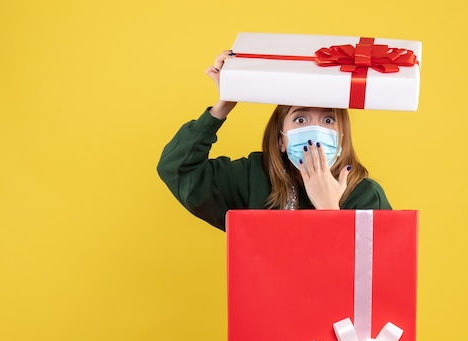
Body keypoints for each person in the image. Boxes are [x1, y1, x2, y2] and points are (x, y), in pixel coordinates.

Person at [157, 51, 392, 231]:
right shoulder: (253, 177)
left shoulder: (366, 195)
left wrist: (329, 209)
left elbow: (380, 276)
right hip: (262, 295)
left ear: (342, 137)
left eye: (329, 119)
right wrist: (222, 106)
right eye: (300, 119)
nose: (315, 130)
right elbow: (177, 169)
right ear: (281, 139)